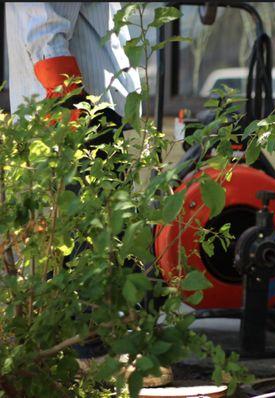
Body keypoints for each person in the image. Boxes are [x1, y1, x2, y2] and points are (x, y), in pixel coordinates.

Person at [4, 2, 171, 387]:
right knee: (87, 236)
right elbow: (41, 19)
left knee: (104, 235)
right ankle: (95, 355)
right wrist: (70, 105)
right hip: (75, 102)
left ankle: (84, 346)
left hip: (94, 101)